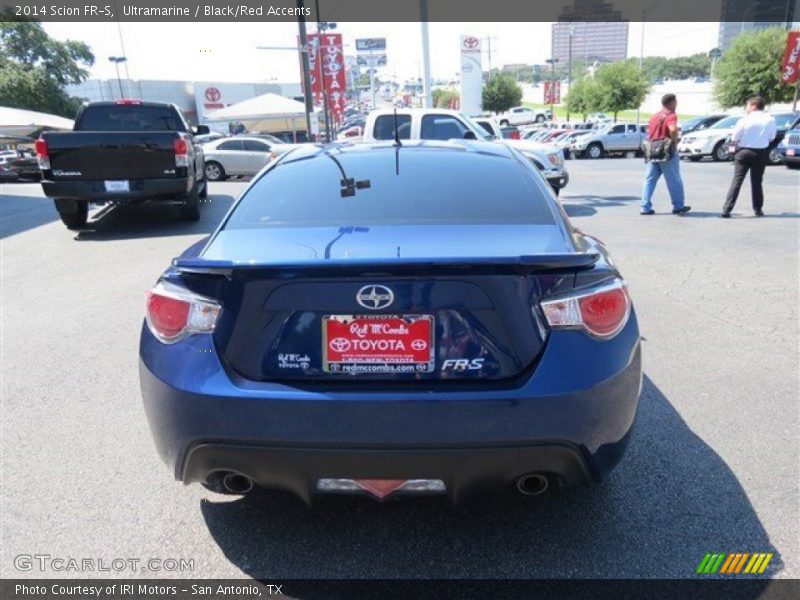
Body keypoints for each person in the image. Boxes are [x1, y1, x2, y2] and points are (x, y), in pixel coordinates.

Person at [722, 96, 776, 218]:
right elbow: (772, 137)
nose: (746, 108)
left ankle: (727, 209)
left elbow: (734, 137)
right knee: (757, 182)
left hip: (744, 151)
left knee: (737, 180)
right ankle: (758, 209)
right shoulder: (770, 119)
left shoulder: (744, 120)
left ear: (753, 106)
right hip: (760, 152)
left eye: (747, 106)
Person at [640, 94, 691, 216]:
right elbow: (672, 129)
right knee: (674, 180)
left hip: (652, 151)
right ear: (672, 102)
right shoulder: (671, 115)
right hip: (666, 151)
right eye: (676, 101)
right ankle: (678, 206)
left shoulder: (654, 116)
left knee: (649, 180)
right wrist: (675, 141)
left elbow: (650, 133)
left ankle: (645, 207)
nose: (677, 104)